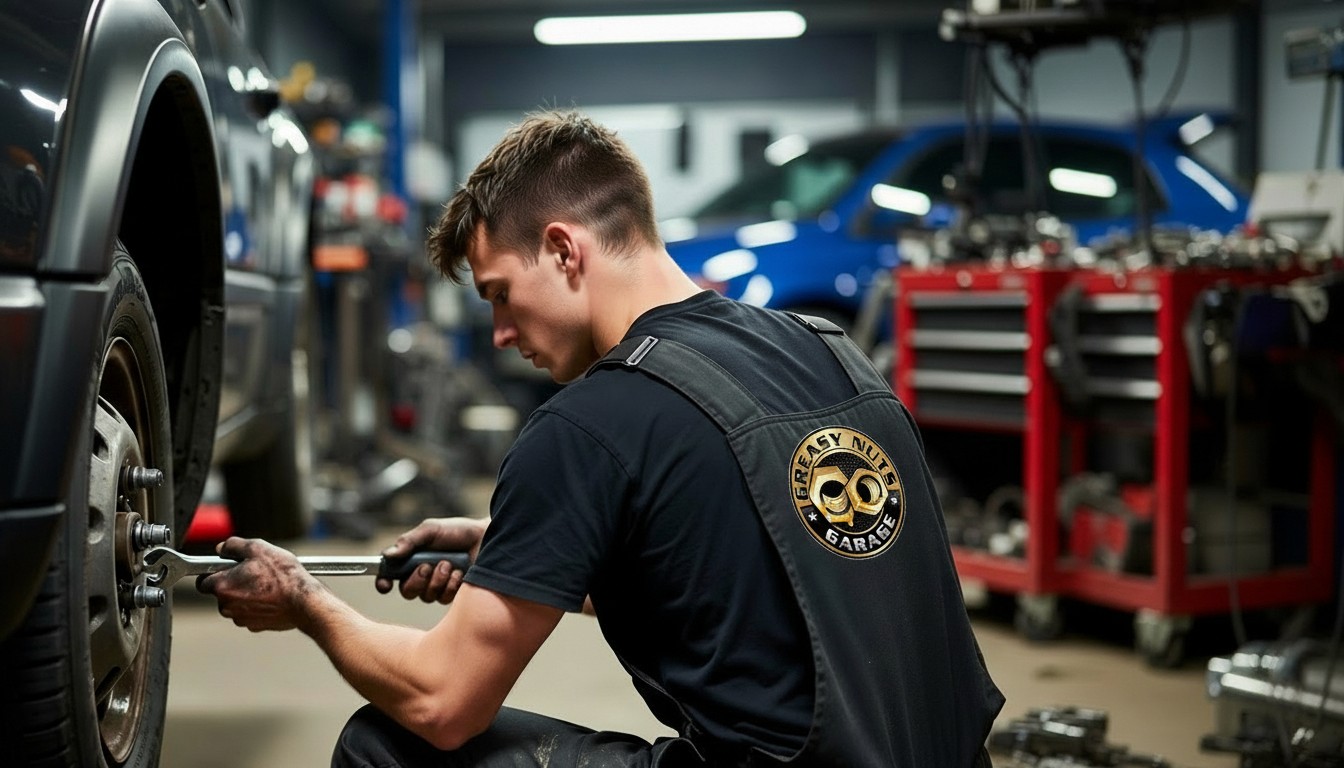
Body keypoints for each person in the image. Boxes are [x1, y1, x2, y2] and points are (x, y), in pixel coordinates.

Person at [199, 109, 1004, 767]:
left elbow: (443, 703)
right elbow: (733, 576)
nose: (503, 333)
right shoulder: (829, 351)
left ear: (562, 249)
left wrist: (306, 604)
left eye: (501, 295)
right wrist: (513, 551)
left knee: (388, 745)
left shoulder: (589, 423)